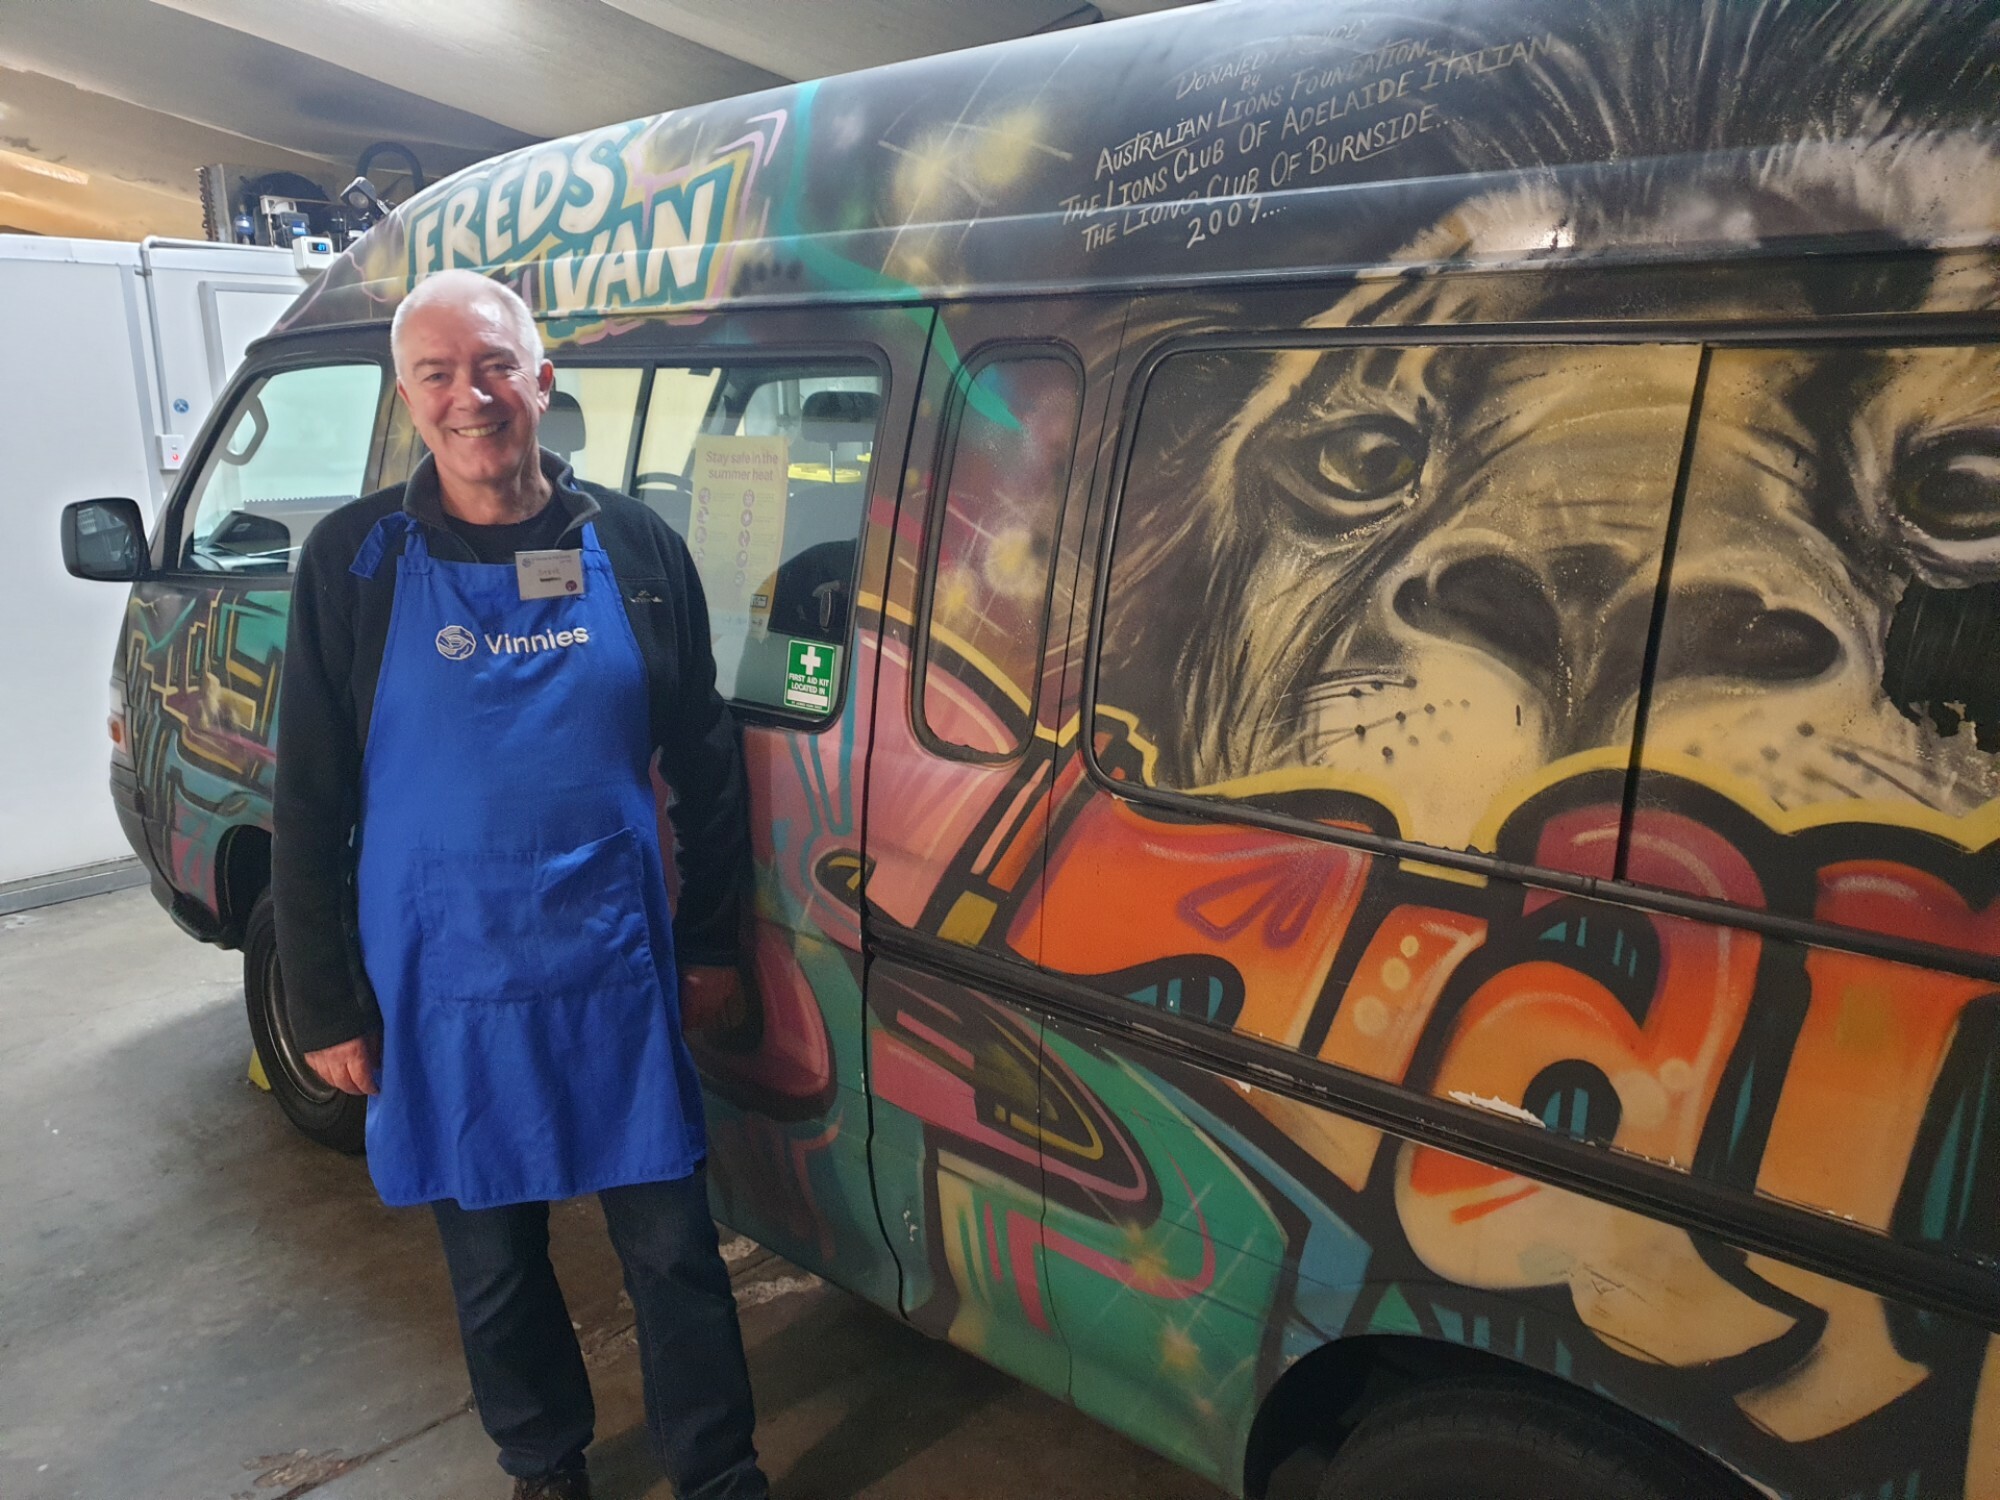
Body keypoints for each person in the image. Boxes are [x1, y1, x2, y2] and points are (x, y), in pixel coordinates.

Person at [272, 268, 767, 1500]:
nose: (469, 396)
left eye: (492, 364)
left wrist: (711, 940)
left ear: (542, 380)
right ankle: (545, 1470)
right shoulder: (355, 561)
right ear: (407, 398)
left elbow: (704, 762)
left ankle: (715, 1474)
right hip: (442, 976)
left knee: (674, 1253)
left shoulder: (636, 547)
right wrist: (325, 1004)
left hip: (612, 965)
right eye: (437, 373)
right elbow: (312, 797)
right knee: (494, 1262)